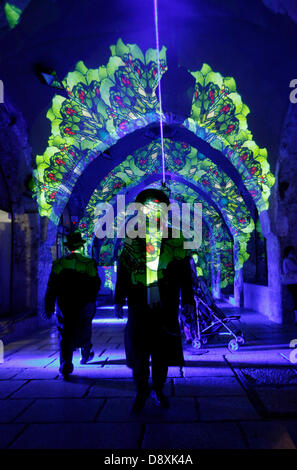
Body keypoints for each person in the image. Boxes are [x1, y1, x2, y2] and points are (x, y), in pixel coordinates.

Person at [114, 188, 195, 413]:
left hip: (166, 302)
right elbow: (123, 269)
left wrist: (188, 299)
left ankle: (158, 389)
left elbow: (184, 271)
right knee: (138, 349)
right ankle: (141, 389)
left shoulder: (176, 237)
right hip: (139, 302)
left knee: (161, 350)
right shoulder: (131, 237)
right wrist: (119, 299)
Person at [43, 231, 101, 379]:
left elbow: (52, 286)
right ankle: (86, 352)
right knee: (85, 327)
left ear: (68, 247)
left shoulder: (59, 264)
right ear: (81, 246)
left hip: (64, 304)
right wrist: (91, 300)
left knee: (64, 333)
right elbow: (95, 284)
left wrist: (49, 305)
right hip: (84, 304)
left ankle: (66, 363)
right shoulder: (89, 263)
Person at [282, 246, 297, 322]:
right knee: (295, 300)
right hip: (293, 283)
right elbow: (295, 268)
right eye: (292, 251)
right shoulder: (289, 260)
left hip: (292, 283)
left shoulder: (289, 260)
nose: (294, 253)